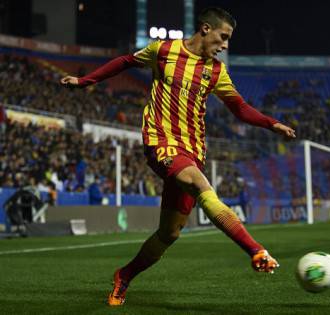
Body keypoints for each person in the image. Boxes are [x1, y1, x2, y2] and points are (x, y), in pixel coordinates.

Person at [61, 7, 296, 306]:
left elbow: (238, 107)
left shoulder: (216, 71)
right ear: (206, 29)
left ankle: (124, 276)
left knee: (168, 234)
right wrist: (86, 81)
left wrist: (271, 123)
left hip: (193, 150)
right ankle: (256, 250)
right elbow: (125, 61)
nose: (224, 45)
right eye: (223, 37)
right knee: (201, 187)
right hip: (161, 141)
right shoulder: (164, 50)